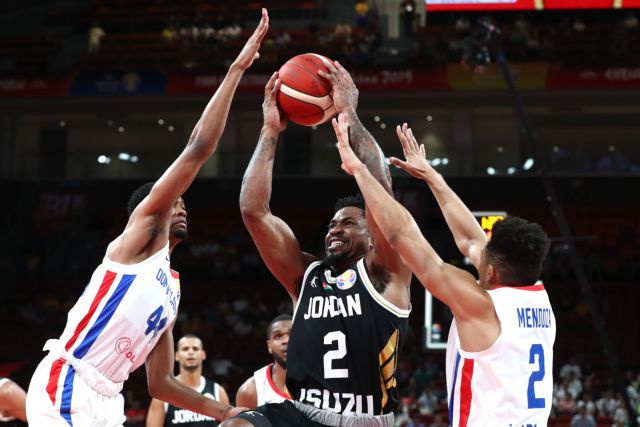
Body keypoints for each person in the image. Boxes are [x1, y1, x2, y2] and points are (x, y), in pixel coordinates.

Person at [25, 9, 270, 427]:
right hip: (68, 380)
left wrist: (227, 411)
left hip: (109, 399)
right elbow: (198, 148)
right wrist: (236, 69)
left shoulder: (171, 289)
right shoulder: (138, 241)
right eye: (176, 202)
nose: (182, 207)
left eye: (184, 204)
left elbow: (161, 385)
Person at [223, 59, 412, 427]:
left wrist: (348, 113)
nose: (335, 229)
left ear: (372, 233)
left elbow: (380, 187)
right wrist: (270, 130)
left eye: (349, 223)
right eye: (332, 224)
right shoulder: (307, 275)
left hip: (365, 420)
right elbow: (253, 211)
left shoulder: (386, 273)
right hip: (303, 413)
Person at [332, 114, 555, 426]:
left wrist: (359, 170)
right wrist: (432, 178)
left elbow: (402, 236)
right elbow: (471, 240)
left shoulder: (482, 307)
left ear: (491, 273)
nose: (477, 256)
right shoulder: (537, 298)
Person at [146, 334, 230, 426]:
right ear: (177, 356)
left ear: (203, 355)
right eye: (185, 349)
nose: (190, 352)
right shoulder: (163, 395)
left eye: (195, 349)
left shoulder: (218, 391)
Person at [235, 315, 292, 408]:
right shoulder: (250, 391)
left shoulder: (318, 377)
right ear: (269, 346)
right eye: (278, 336)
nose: (286, 340)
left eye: (292, 334)